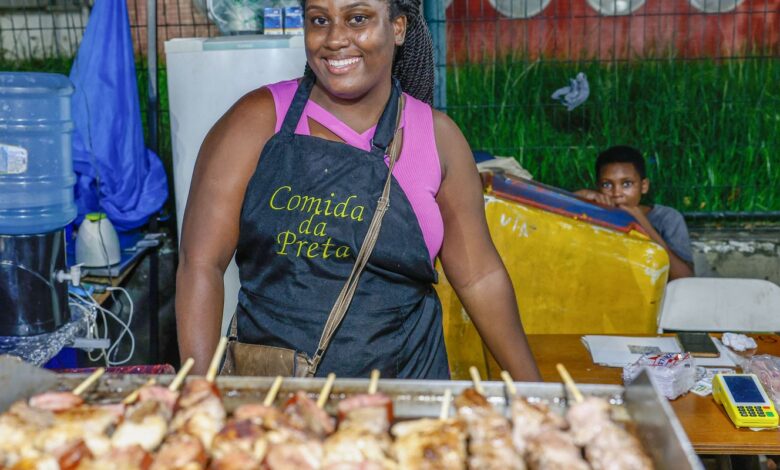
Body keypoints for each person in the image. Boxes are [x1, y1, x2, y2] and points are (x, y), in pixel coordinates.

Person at [176, 0, 541, 381]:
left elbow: (478, 276)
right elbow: (200, 262)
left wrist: (537, 392)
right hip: (275, 401)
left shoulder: (438, 139)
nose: (335, 38)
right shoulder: (255, 121)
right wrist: (198, 391)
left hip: (406, 401)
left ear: (397, 28)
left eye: (357, 18)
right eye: (320, 20)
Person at [575, 145, 694, 280]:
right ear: (597, 187)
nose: (616, 193)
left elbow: (686, 277)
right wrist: (577, 199)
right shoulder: (592, 213)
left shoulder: (666, 218)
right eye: (607, 185)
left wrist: (643, 224)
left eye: (627, 184)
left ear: (644, 186)